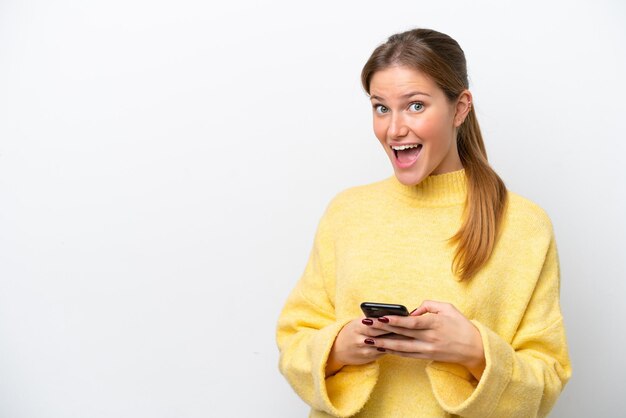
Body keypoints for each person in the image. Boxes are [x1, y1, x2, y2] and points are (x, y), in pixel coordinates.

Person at [276, 28, 571, 418]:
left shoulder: (523, 224)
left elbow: (546, 380)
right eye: (381, 107)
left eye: (415, 105)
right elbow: (295, 339)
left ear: (460, 107)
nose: (394, 129)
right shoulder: (346, 213)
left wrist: (474, 351)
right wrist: (337, 349)